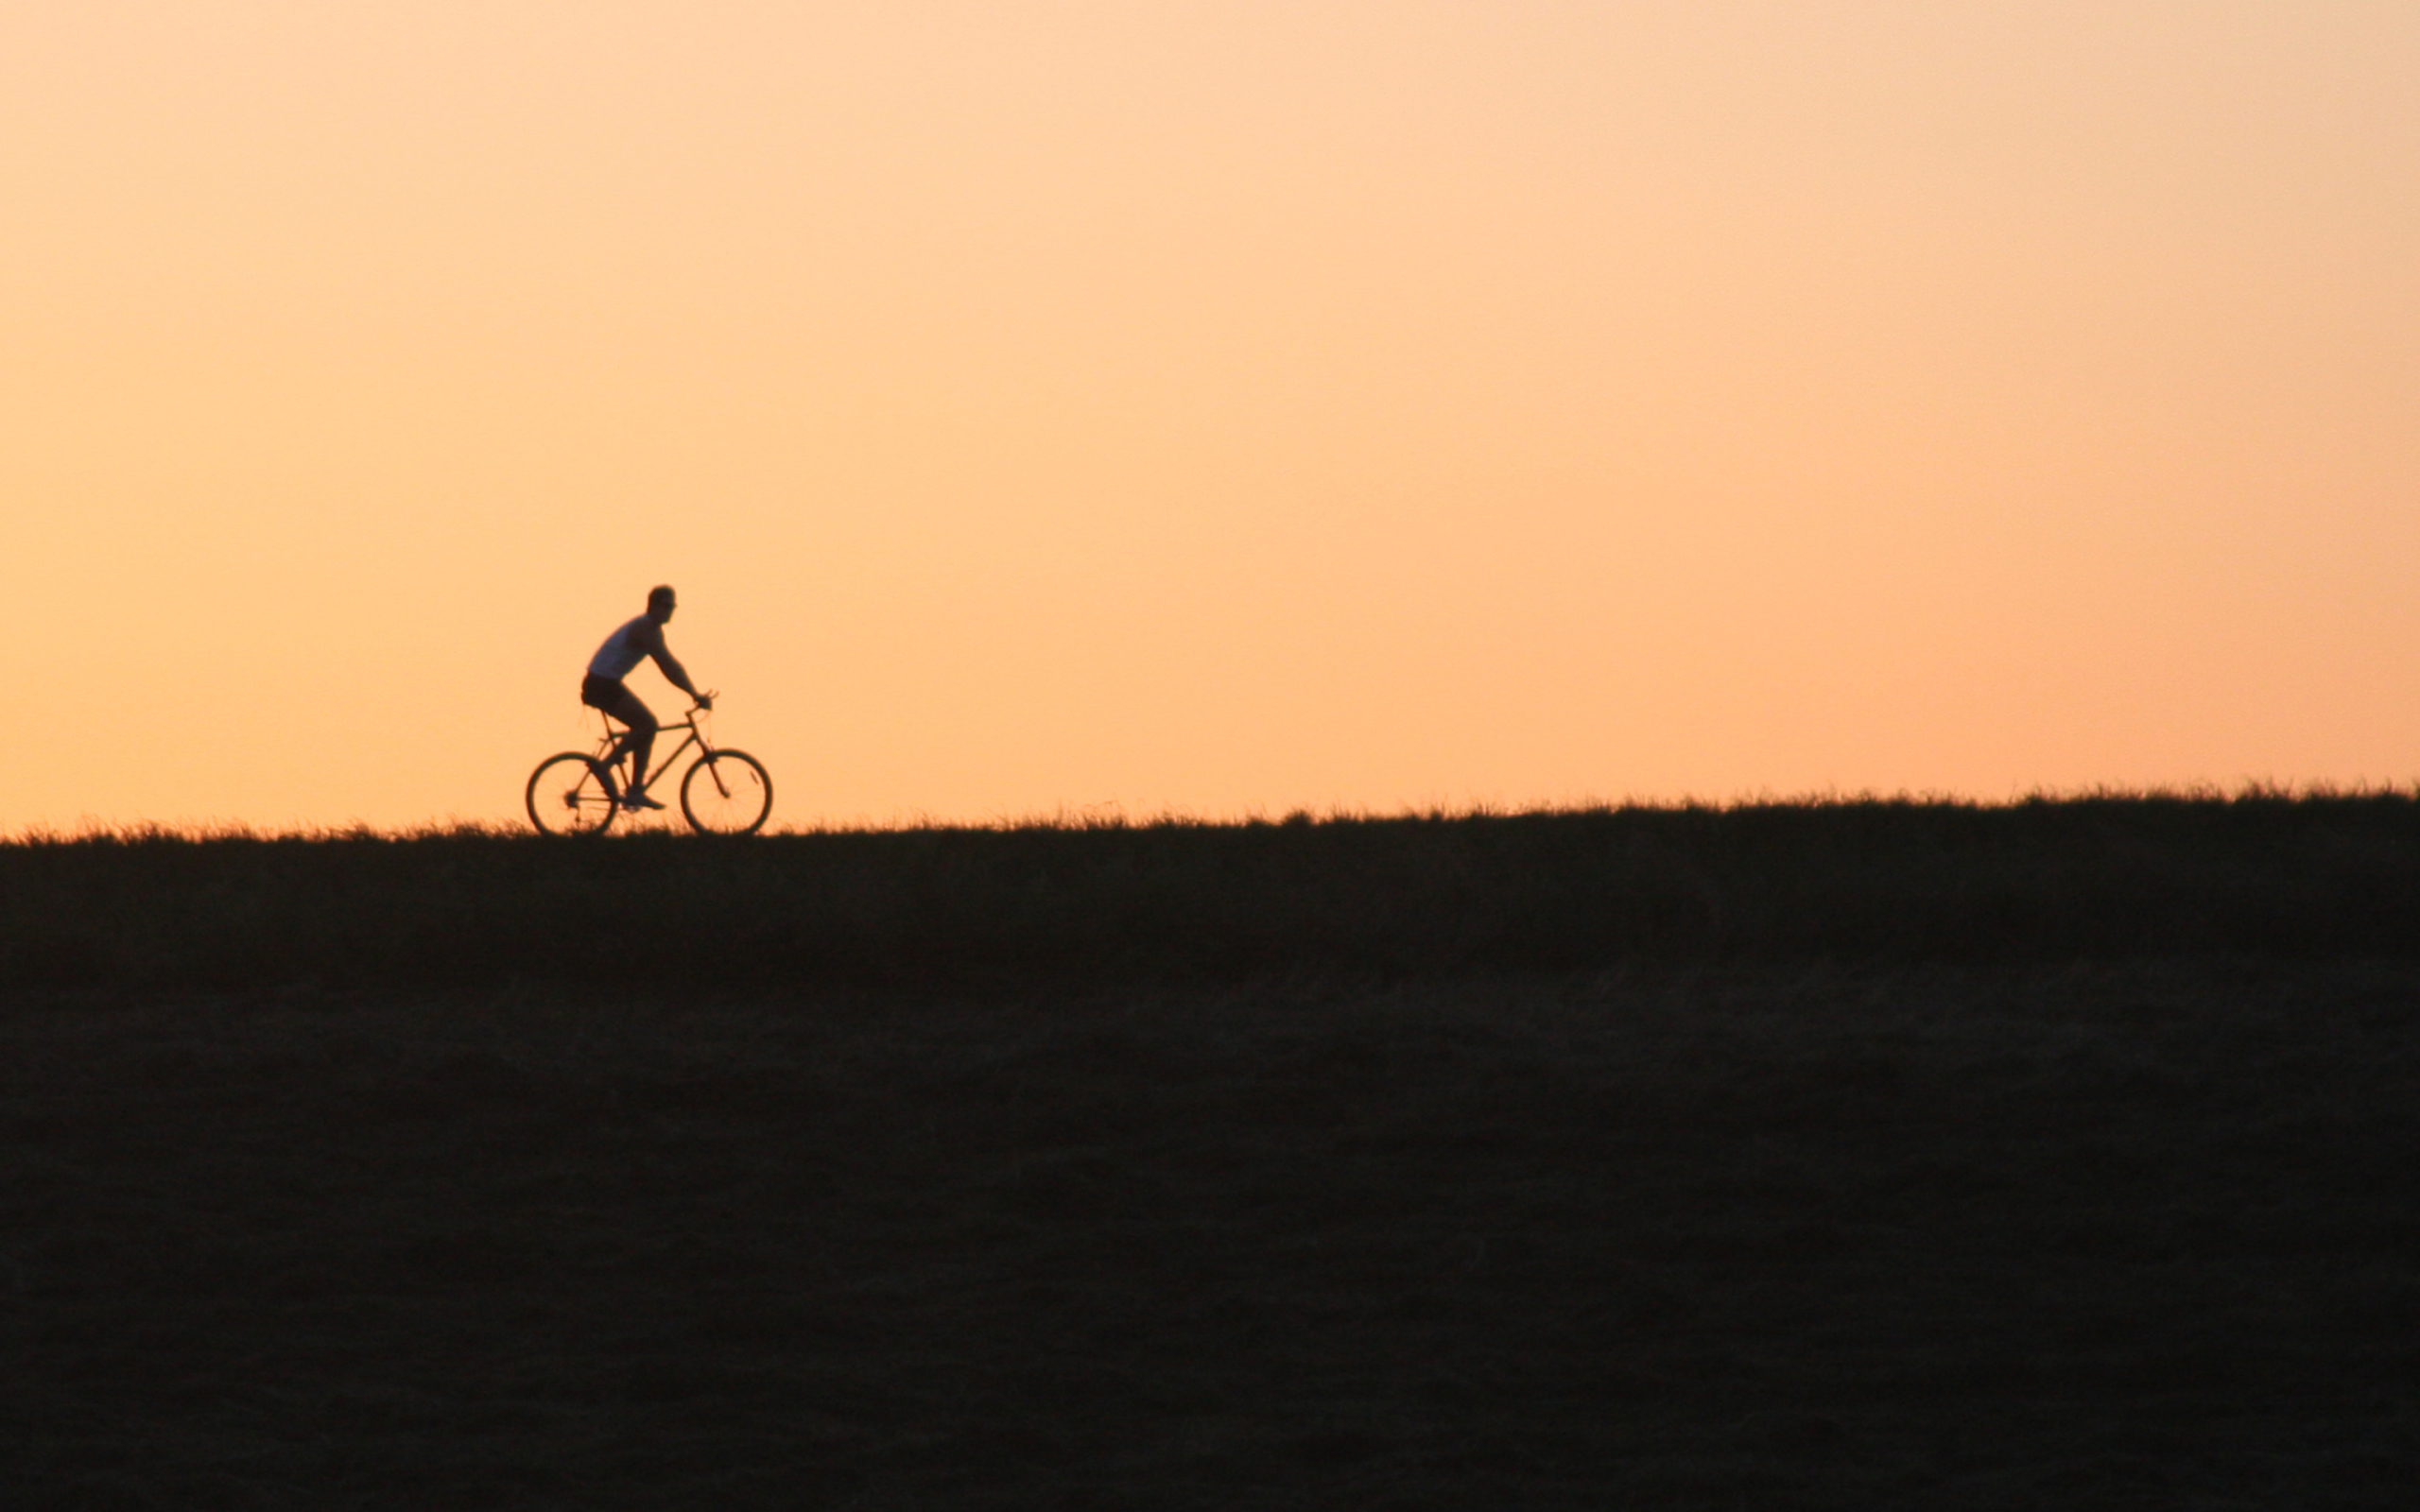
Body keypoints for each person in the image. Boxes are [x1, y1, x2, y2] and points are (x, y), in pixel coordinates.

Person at [582, 585, 708, 808]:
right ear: (653, 606)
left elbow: (671, 666)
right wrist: (694, 694)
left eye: (673, 606)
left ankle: (635, 790)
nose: (670, 611)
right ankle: (607, 766)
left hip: (606, 683)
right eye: (666, 606)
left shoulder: (652, 629)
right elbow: (668, 666)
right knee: (647, 724)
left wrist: (692, 692)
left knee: (647, 728)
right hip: (601, 685)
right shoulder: (645, 629)